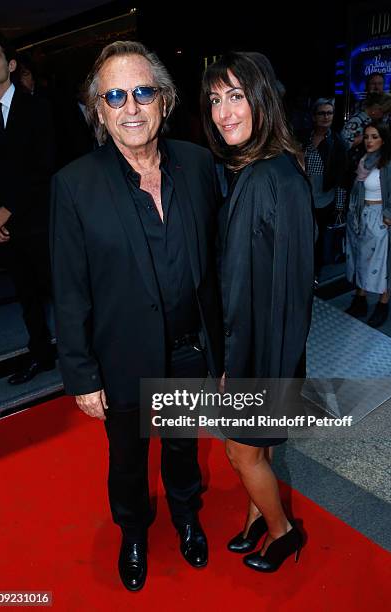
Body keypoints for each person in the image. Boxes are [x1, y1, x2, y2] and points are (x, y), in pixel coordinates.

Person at [50, 41, 223, 592]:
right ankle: (133, 531)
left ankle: (186, 515)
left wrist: (223, 351)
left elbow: (217, 271)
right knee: (127, 459)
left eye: (143, 91)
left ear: (165, 102)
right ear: (99, 110)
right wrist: (81, 374)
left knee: (181, 444)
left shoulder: (198, 165)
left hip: (187, 351)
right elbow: (70, 289)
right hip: (120, 358)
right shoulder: (74, 185)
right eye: (115, 96)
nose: (131, 106)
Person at [201, 51, 314, 572]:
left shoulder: (259, 180)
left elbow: (239, 288)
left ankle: (282, 530)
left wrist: (230, 365)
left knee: (239, 452)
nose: (224, 112)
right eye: (216, 99)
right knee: (261, 447)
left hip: (255, 345)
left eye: (236, 96)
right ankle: (254, 519)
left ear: (262, 98)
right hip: (282, 340)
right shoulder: (284, 167)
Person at [0, 30, 55, 383]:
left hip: (39, 221)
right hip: (4, 226)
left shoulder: (37, 109)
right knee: (26, 297)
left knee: (62, 292)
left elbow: (47, 167)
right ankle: (40, 354)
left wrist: (8, 209)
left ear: (11, 65)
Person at [345, 121, 391, 327]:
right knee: (360, 259)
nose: (369, 141)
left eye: (374, 136)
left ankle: (383, 305)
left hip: (380, 218)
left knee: (381, 264)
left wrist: (388, 215)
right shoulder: (364, 160)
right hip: (360, 215)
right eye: (366, 136)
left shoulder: (387, 163)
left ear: (383, 139)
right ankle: (360, 299)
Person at [299, 97, 348, 279]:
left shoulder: (337, 143)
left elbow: (342, 178)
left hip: (323, 199)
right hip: (301, 196)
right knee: (301, 236)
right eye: (322, 113)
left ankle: (314, 275)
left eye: (330, 113)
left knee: (318, 240)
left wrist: (340, 206)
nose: (326, 116)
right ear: (313, 116)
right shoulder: (303, 138)